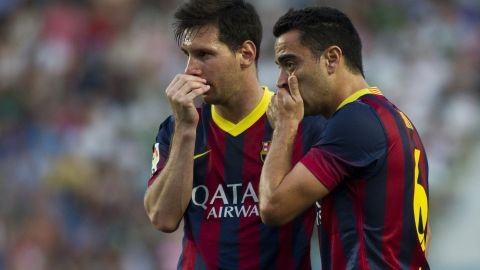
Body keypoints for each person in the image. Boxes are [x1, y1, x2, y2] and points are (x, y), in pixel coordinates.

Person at [143, 1, 326, 269]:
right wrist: (185, 131)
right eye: (187, 54)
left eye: (204, 55)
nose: (190, 69)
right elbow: (163, 218)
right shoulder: (177, 127)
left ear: (246, 54)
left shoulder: (302, 124)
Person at [258, 7, 430, 269]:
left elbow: (272, 207)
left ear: (331, 59)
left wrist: (284, 127)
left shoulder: (355, 121)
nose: (281, 81)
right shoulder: (393, 118)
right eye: (280, 67)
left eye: (290, 64)